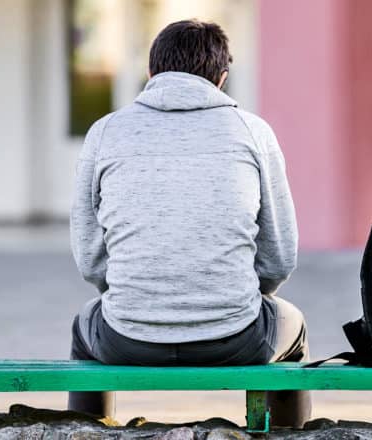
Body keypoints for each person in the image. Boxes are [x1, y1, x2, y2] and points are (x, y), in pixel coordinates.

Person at [68, 19, 310, 427]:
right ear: (222, 78)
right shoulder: (252, 132)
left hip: (127, 338)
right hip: (237, 337)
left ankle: (91, 434)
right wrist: (237, 295)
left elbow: (90, 259)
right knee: (295, 327)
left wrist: (140, 295)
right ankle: (287, 434)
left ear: (151, 73)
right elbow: (280, 258)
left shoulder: (105, 132)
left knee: (83, 327)